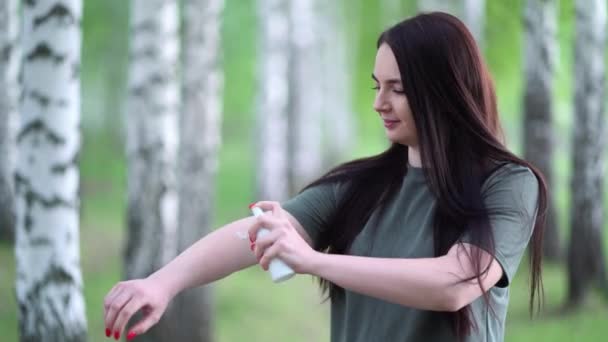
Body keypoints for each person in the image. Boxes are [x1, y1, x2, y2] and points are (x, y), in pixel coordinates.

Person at [103, 11, 547, 342]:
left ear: (443, 89)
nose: (379, 103)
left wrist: (313, 261)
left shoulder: (508, 184)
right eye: (377, 86)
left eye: (397, 89)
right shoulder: (362, 186)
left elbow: (455, 283)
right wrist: (162, 283)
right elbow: (257, 233)